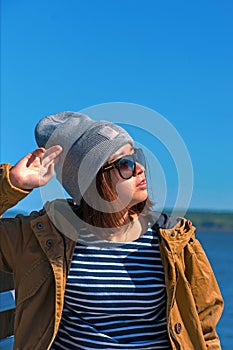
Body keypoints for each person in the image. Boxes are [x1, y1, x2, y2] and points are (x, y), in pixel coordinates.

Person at [0, 111, 223, 350]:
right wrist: (13, 184)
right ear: (93, 182)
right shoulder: (42, 237)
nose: (139, 169)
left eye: (137, 157)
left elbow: (205, 326)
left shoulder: (174, 239)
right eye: (125, 164)